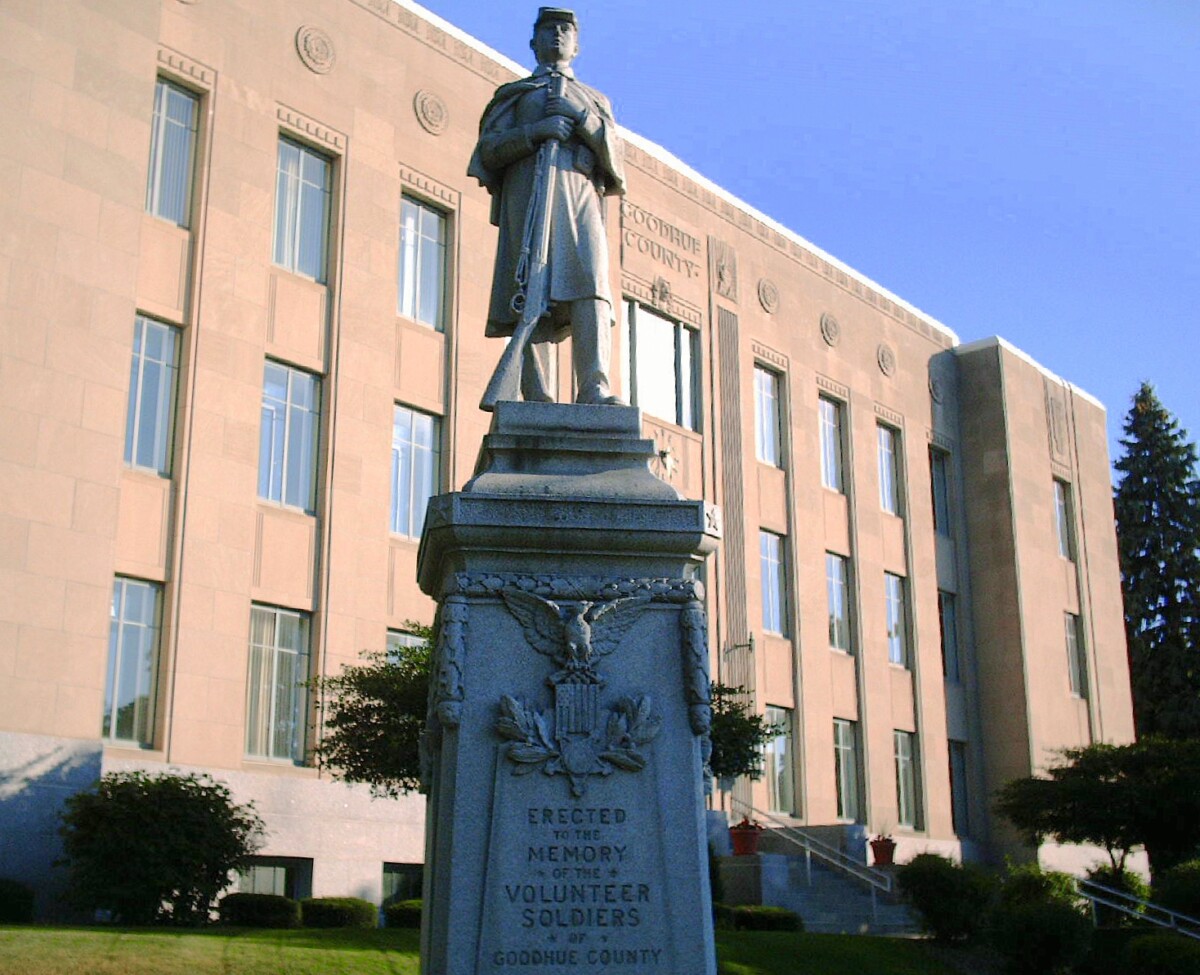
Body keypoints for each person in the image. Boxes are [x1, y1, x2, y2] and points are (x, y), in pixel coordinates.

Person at [468, 7, 625, 406]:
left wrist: (581, 117)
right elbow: (487, 151)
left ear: (577, 45)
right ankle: (537, 395)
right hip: (530, 197)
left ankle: (594, 387)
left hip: (577, 199)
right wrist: (534, 132)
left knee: (591, 283)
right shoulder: (515, 95)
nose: (557, 35)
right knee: (528, 288)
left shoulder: (593, 99)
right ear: (533, 42)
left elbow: (616, 162)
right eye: (548, 29)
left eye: (565, 30)